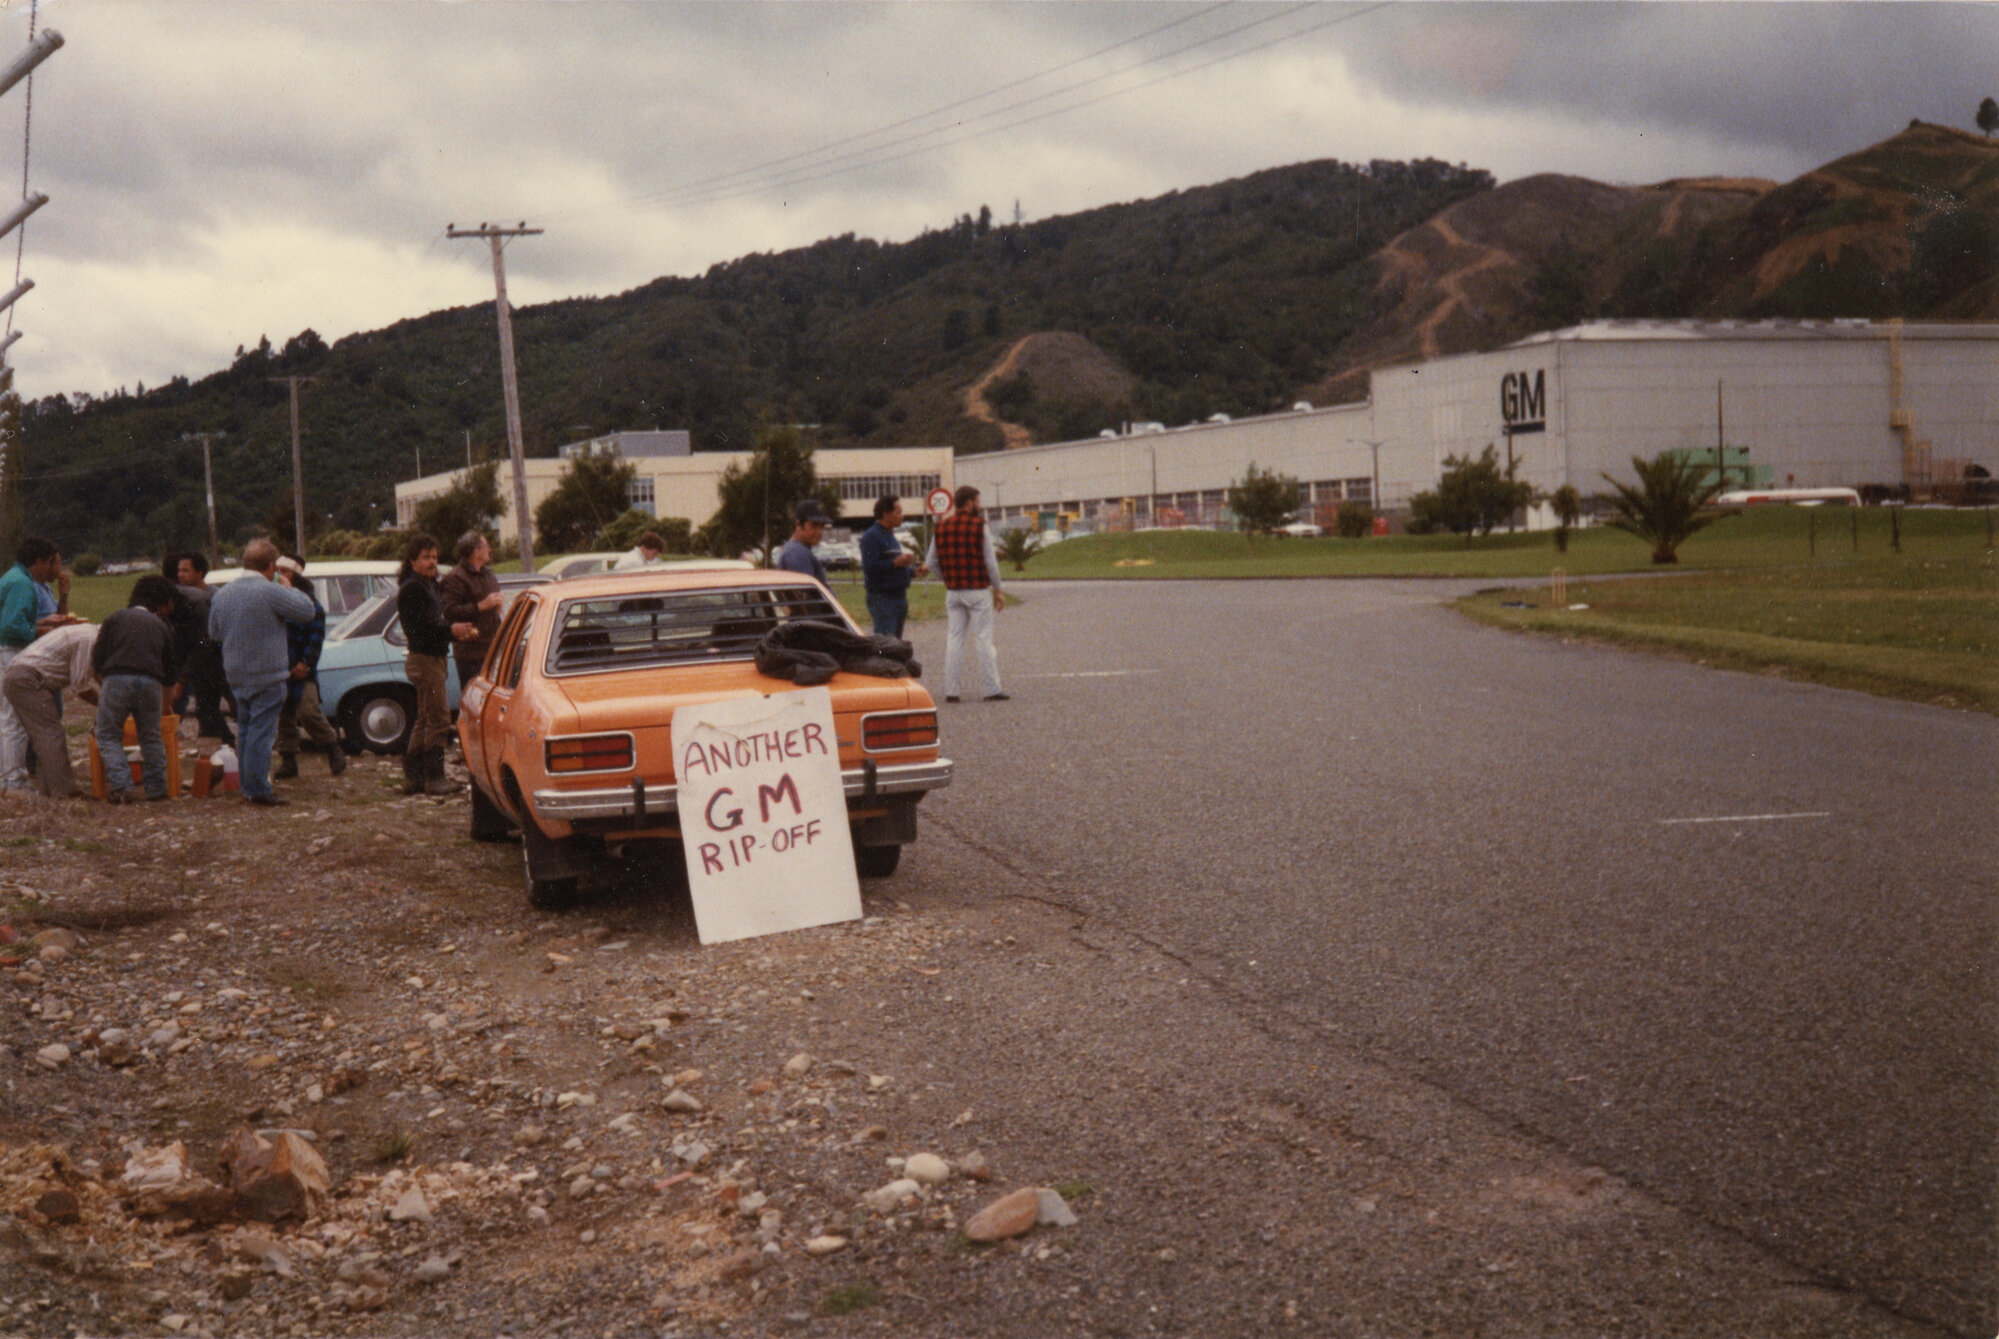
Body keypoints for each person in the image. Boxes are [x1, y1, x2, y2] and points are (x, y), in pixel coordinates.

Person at [208, 538, 315, 807]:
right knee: (262, 733)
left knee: (245, 730)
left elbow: (214, 632)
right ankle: (258, 788)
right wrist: (290, 588)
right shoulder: (269, 590)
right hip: (267, 674)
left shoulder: (222, 594)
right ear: (271, 566)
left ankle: (248, 785)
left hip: (236, 673)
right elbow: (307, 611)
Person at [395, 533, 473, 796]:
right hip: (425, 660)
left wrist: (451, 630)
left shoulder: (426, 585)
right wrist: (453, 630)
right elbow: (425, 627)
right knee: (438, 718)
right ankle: (434, 778)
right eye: (426, 557)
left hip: (431, 659)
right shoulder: (413, 589)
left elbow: (433, 624)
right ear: (413, 560)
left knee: (424, 718)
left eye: (435, 557)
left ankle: (413, 778)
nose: (432, 562)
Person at [92, 575, 179, 804]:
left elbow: (97, 661)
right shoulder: (162, 626)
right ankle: (157, 788)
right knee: (150, 736)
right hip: (151, 682)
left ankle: (122, 787)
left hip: (117, 676)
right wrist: (166, 704)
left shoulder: (115, 618)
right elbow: (170, 673)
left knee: (108, 735)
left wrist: (106, 687)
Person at [924, 485, 1009, 703]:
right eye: (978, 502)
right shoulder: (979, 526)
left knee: (954, 639)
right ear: (970, 502)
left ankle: (952, 691)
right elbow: (990, 562)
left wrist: (947, 578)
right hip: (978, 591)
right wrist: (998, 589)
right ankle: (991, 689)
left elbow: (931, 562)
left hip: (954, 592)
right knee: (983, 640)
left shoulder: (940, 527)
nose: (979, 506)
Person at [0, 537, 72, 792]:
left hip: (8, 650)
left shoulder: (14, 577)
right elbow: (11, 629)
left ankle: (8, 777)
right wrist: (39, 631)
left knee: (9, 718)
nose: (53, 569)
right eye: (52, 563)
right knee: (14, 720)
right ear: (40, 561)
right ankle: (13, 780)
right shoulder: (23, 584)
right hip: (11, 652)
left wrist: (41, 625)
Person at [0, 618, 99, 799]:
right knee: (50, 735)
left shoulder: (87, 632)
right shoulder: (89, 640)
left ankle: (49, 791)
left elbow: (97, 673)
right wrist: (104, 704)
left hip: (20, 675)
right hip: (27, 679)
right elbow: (80, 686)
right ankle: (65, 793)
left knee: (44, 736)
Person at [273, 558, 346, 779]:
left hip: (303, 669)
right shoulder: (275, 601)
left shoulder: (311, 604)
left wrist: (306, 663)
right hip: (280, 667)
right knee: (284, 715)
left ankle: (332, 747)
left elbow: (316, 637)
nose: (279, 575)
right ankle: (288, 760)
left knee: (309, 711)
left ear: (295, 575)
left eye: (284, 571)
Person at [169, 552, 233, 745]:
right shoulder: (180, 599)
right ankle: (224, 745)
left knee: (237, 706)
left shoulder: (215, 596)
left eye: (186, 570)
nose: (181, 575)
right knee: (205, 710)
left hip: (221, 661)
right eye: (179, 570)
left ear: (200, 572)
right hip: (199, 664)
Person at [439, 530, 504, 685]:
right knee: (475, 700)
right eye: (487, 546)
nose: (490, 550)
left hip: (494, 649)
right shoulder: (455, 578)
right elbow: (449, 611)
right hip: (471, 654)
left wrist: (497, 605)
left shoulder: (488, 574)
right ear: (476, 552)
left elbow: (494, 601)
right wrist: (481, 606)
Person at [859, 495, 925, 638]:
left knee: (896, 643)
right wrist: (895, 562)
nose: (902, 516)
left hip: (899, 596)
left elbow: (894, 567)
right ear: (886, 514)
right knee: (887, 643)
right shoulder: (871, 536)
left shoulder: (890, 536)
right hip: (882, 598)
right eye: (898, 512)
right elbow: (870, 567)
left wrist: (913, 572)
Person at [775, 501, 830, 585]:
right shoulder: (797, 553)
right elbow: (806, 595)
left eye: (822, 526)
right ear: (798, 524)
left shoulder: (798, 549)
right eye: (814, 525)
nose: (820, 531)